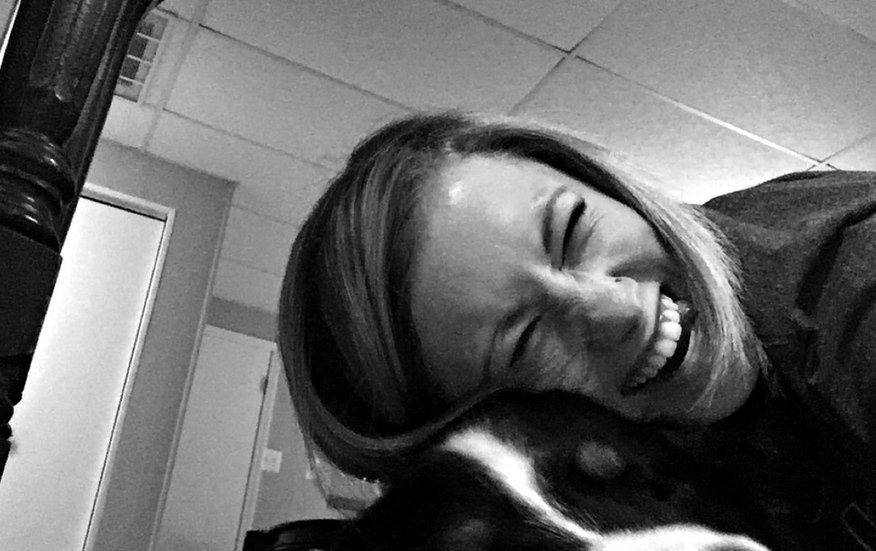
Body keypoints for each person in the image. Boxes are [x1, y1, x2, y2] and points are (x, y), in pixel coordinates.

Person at [277, 111, 876, 484]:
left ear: (608, 186)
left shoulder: (852, 280)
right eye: (524, 342)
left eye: (572, 229)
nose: (619, 311)